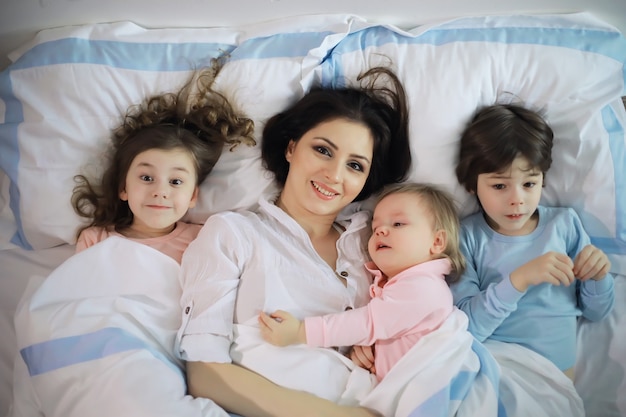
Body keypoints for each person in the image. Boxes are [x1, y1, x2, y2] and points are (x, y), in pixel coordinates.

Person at [176, 66, 412, 417]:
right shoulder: (234, 233)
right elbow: (204, 372)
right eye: (323, 150)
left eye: (356, 166)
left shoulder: (377, 242)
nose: (334, 175)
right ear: (291, 148)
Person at [451, 103, 615, 380]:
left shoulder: (564, 225)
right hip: (493, 369)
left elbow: (596, 313)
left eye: (529, 184)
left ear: (543, 180)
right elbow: (467, 326)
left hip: (553, 378)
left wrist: (599, 276)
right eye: (499, 186)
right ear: (471, 184)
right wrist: (518, 280)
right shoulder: (466, 236)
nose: (517, 199)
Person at [258, 182, 465, 382]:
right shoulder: (397, 285)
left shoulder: (423, 287)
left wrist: (301, 332)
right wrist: (372, 350)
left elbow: (369, 323)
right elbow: (382, 330)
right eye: (375, 228)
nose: (381, 231)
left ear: (437, 242)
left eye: (398, 224)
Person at [71, 61, 255, 264]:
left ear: (193, 195)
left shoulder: (203, 239)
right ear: (124, 187)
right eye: (147, 177)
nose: (160, 191)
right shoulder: (95, 240)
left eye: (176, 181)